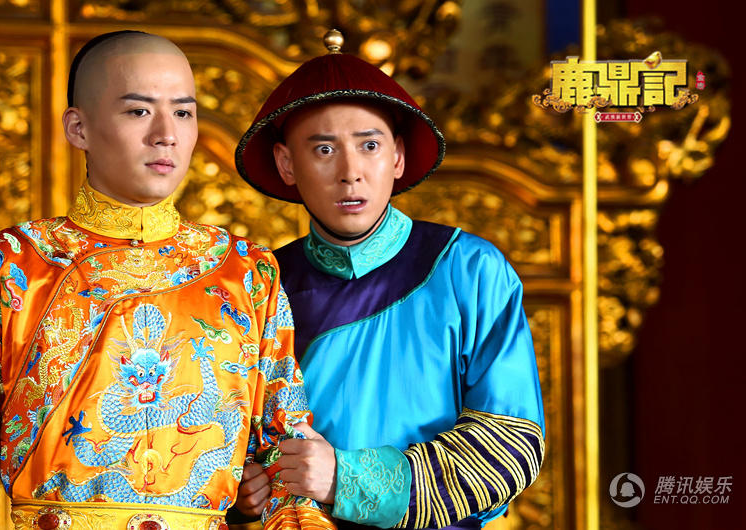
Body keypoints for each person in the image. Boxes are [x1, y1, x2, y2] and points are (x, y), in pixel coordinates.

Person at [0, 31, 335, 530]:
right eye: (139, 111)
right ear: (78, 128)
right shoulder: (7, 266)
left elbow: (289, 460)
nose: (166, 134)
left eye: (184, 113)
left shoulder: (244, 271)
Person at [232, 31, 545, 529]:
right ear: (286, 164)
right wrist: (242, 491)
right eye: (324, 149)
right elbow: (229, 439)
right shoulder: (259, 285)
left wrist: (347, 479)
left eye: (370, 146)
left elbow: (511, 443)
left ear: (397, 157)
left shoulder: (468, 269)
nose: (350, 172)